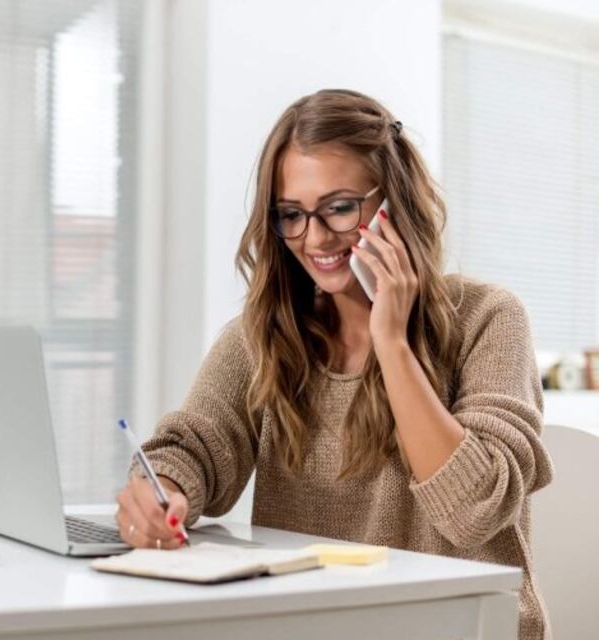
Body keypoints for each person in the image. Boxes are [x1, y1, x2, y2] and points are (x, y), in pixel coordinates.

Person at [114, 88, 553, 640]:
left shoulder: (488, 318)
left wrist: (390, 341)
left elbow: (473, 510)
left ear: (394, 200)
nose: (315, 237)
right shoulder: (266, 335)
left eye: (340, 207)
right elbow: (194, 446)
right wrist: (163, 490)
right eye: (291, 215)